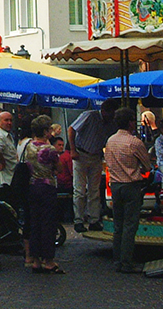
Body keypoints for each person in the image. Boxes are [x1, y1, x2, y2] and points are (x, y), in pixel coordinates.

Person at [104, 107, 153, 274]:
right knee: (130, 224)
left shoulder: (110, 141)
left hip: (115, 185)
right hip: (131, 185)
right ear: (131, 123)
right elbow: (147, 166)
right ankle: (127, 261)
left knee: (118, 224)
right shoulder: (134, 142)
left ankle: (117, 259)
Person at [66, 98, 119, 233]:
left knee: (94, 190)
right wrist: (73, 150)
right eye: (111, 113)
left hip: (96, 156)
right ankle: (78, 220)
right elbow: (71, 129)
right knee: (80, 190)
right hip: (81, 154)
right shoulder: (89, 116)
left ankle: (94, 220)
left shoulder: (111, 123)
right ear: (104, 111)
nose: (112, 117)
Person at [22, 115, 64, 274]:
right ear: (46, 131)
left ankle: (36, 260)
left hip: (32, 186)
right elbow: (59, 168)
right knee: (48, 223)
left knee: (35, 222)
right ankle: (49, 260)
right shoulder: (49, 149)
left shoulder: (28, 146)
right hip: (47, 186)